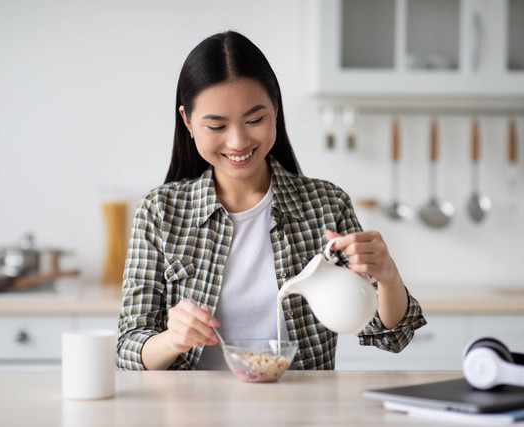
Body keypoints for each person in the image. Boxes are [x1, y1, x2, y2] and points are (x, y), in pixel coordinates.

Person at [117, 31, 426, 371]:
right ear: (188, 122)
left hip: (300, 413)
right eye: (217, 126)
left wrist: (388, 277)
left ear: (275, 110)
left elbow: (389, 336)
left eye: (254, 120)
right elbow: (128, 350)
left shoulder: (326, 205)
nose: (238, 141)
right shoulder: (161, 211)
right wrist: (172, 339)